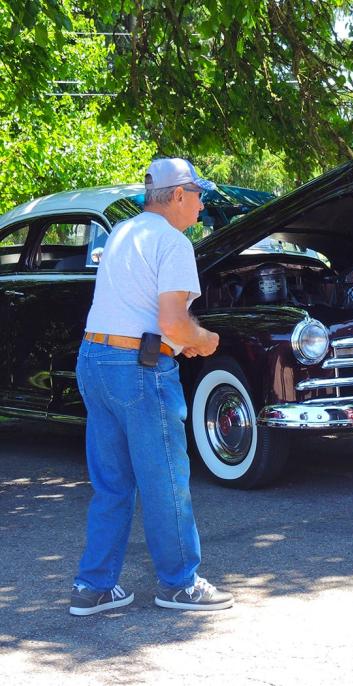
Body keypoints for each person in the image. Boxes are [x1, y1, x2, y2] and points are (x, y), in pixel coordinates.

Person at [70, 158, 233, 616]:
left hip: (94, 359)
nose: (203, 203)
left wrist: (184, 338)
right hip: (138, 367)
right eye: (198, 194)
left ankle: (94, 585)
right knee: (165, 479)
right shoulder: (173, 242)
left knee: (111, 482)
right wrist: (204, 341)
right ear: (178, 195)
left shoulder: (123, 231)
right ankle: (180, 584)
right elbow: (172, 323)